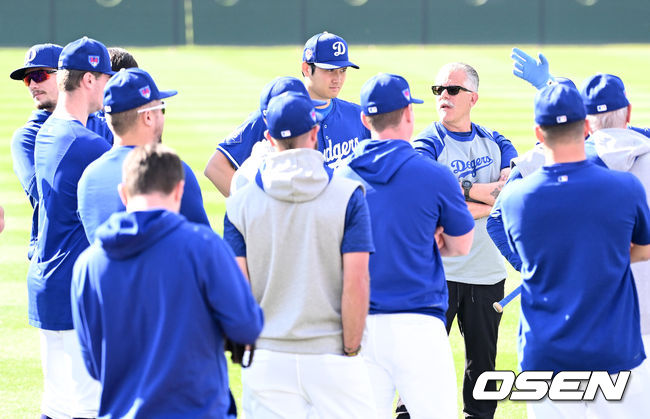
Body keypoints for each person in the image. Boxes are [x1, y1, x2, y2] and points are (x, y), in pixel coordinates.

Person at [71, 143, 263, 418]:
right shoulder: (205, 247)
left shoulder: (87, 265)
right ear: (179, 191)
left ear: (123, 194)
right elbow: (247, 327)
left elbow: (92, 363)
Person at [498, 82, 650, 418]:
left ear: (538, 131)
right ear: (585, 127)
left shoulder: (515, 198)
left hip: (545, 357)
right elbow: (643, 249)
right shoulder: (625, 189)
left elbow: (527, 255)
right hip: (614, 354)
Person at [224, 92, 377, 418]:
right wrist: (350, 348)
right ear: (315, 133)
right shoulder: (349, 195)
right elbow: (357, 280)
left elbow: (238, 290)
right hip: (332, 354)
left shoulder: (239, 205)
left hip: (268, 356)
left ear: (268, 138)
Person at [337, 73, 475, 418]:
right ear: (409, 115)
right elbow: (461, 245)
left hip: (359, 323)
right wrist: (424, 242)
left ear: (365, 119)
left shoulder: (338, 177)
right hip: (420, 325)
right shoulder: (434, 175)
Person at [411, 62, 518, 419]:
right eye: (438, 90)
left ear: (473, 97)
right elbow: (429, 195)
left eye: (452, 90)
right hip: (436, 274)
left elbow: (510, 185)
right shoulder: (427, 141)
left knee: (482, 372)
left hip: (486, 275)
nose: (443, 96)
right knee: (421, 368)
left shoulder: (496, 141)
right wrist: (485, 198)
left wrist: (464, 197)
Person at [29, 36, 114, 419]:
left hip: (50, 282)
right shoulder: (86, 145)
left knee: (58, 405)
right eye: (106, 78)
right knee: (88, 408)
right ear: (90, 80)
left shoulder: (46, 131)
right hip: (75, 290)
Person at [205, 31, 369, 196]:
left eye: (343, 70)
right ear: (306, 68)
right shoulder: (275, 116)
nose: (338, 78)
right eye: (330, 70)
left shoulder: (358, 115)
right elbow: (216, 167)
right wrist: (250, 209)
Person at [77, 67, 210, 243]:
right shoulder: (171, 169)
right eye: (161, 109)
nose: (162, 116)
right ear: (147, 117)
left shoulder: (88, 177)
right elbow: (203, 245)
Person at [9, 43, 112, 260]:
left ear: (65, 75)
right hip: (57, 255)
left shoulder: (101, 124)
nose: (32, 85)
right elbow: (51, 198)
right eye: (28, 79)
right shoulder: (27, 138)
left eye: (39, 75)